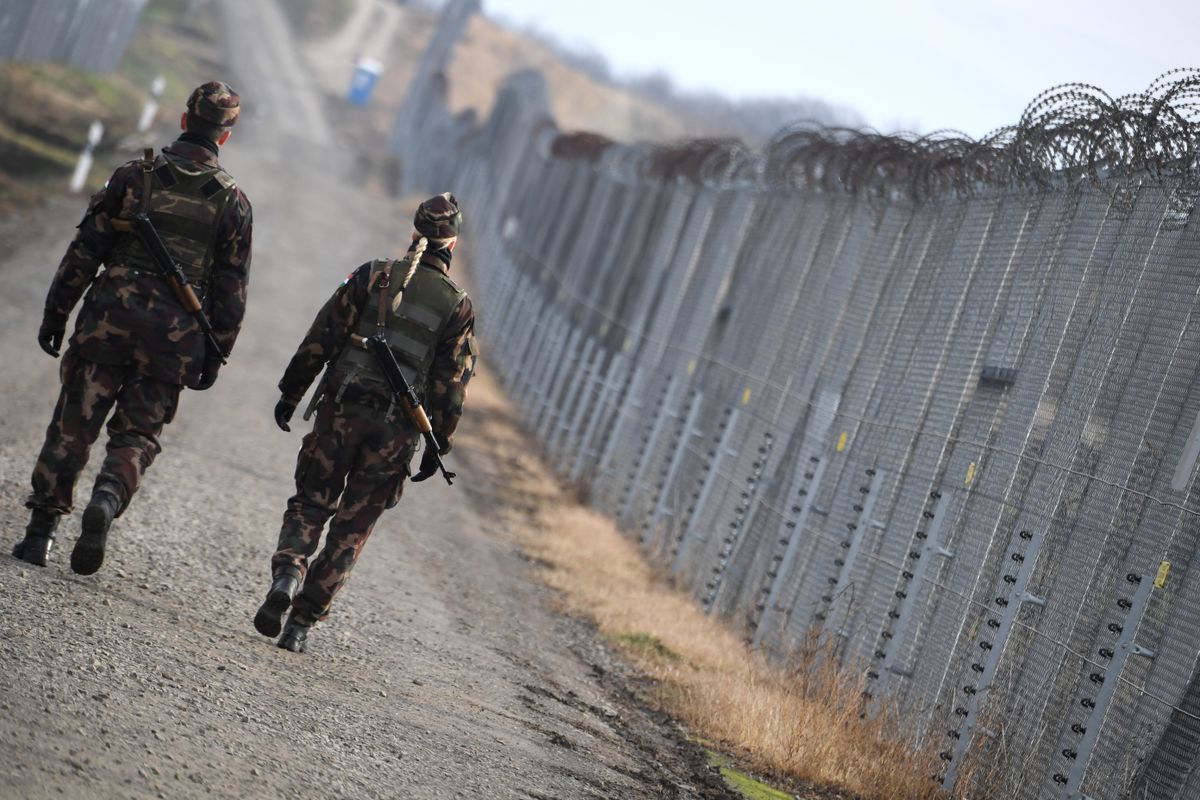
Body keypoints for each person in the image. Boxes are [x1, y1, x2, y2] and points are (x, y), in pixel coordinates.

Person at [12, 81, 253, 573]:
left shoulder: (132, 177)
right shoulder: (233, 204)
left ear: (185, 120)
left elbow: (84, 252)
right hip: (175, 337)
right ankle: (107, 495)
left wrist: (56, 312)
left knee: (74, 424)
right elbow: (231, 291)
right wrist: (215, 352)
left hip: (107, 320)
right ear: (225, 137)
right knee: (138, 433)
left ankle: (39, 535)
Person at [254, 193, 477, 654]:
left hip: (340, 410)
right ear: (451, 244)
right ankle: (299, 626)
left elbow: (323, 333)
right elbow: (450, 386)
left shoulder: (373, 275)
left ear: (415, 232)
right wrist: (439, 443)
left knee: (311, 503)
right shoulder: (457, 307)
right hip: (395, 434)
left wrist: (292, 390)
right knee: (351, 529)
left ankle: (289, 573)